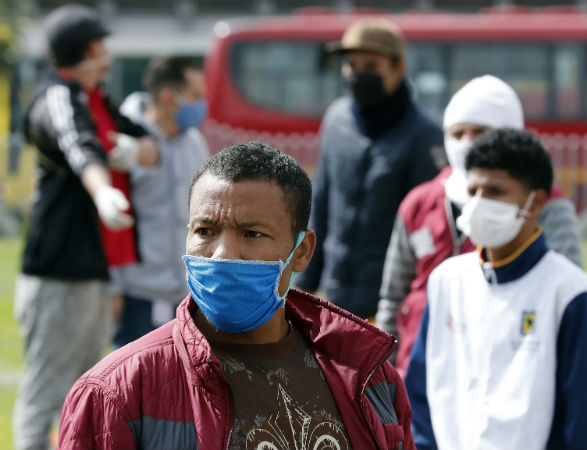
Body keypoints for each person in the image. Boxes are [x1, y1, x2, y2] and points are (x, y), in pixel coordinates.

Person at [58, 142, 415, 450]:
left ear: (302, 251)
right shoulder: (116, 393)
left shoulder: (371, 380)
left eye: (252, 234)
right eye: (206, 230)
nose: (222, 254)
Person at [405, 128, 587, 450]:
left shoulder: (572, 296)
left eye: (496, 191)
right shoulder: (447, 282)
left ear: (536, 202)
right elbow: (421, 396)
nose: (479, 204)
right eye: (474, 191)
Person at [12, 5, 158, 450]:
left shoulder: (100, 101)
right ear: (88, 49)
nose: (107, 54)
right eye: (101, 45)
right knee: (46, 393)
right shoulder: (57, 96)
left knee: (86, 390)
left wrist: (130, 150)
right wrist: (102, 191)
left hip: (94, 267)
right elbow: (81, 149)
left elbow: (151, 144)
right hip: (58, 271)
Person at [376, 75, 583, 375]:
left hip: (506, 367)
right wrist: (381, 369)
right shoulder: (419, 203)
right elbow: (394, 298)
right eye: (457, 134)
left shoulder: (543, 204)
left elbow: (567, 294)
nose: (467, 144)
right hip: (419, 372)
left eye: (480, 132)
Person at [296, 18, 443, 319]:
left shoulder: (424, 135)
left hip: (392, 304)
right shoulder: (336, 121)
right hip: (335, 297)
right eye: (352, 65)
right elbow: (321, 201)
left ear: (397, 68)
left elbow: (428, 228)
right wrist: (306, 283)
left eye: (371, 66)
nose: (359, 74)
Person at [111, 55, 210, 347]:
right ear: (169, 97)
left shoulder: (195, 143)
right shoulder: (127, 145)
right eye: (195, 96)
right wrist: (113, 288)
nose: (201, 104)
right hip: (137, 295)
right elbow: (112, 222)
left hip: (186, 295)